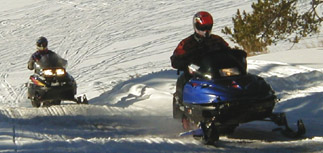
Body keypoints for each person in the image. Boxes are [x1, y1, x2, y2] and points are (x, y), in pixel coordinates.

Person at [170, 11, 231, 101]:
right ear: (196, 26)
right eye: (202, 27)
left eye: (208, 27)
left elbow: (229, 51)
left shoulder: (217, 40)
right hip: (198, 72)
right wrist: (184, 61)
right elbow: (176, 58)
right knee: (183, 80)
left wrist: (237, 55)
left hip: (218, 71)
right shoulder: (187, 43)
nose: (206, 31)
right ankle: (182, 105)